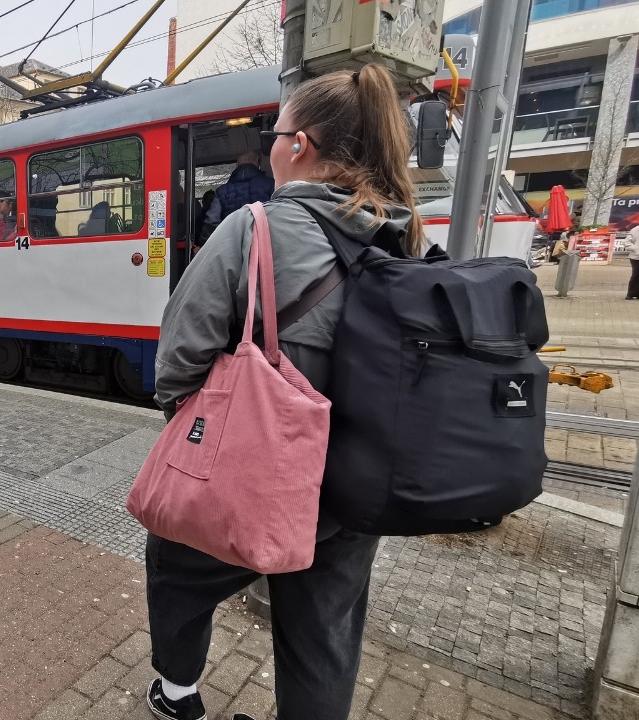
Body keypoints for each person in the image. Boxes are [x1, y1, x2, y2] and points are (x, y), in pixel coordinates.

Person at [144, 65, 424, 720]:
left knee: (175, 565)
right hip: (358, 486)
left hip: (256, 473)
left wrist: (202, 437)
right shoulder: (406, 238)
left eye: (275, 134)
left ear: (299, 146)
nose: (271, 146)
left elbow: (178, 363)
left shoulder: (254, 229)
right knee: (325, 634)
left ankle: (177, 694)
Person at [199, 151, 276, 243]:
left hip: (232, 246)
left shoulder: (222, 192)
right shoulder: (271, 185)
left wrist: (204, 244)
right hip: (265, 245)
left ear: (237, 165)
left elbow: (212, 222)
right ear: (258, 163)